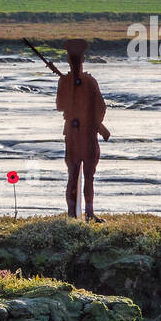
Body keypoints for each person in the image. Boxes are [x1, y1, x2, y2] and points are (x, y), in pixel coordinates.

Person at [54, 38, 110, 220]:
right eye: (74, 58)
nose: (76, 62)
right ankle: (73, 213)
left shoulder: (89, 82)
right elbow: (61, 106)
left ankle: (89, 212)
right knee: (73, 174)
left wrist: (95, 124)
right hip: (73, 134)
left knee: (88, 176)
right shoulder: (65, 82)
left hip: (86, 134)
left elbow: (100, 107)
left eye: (77, 58)